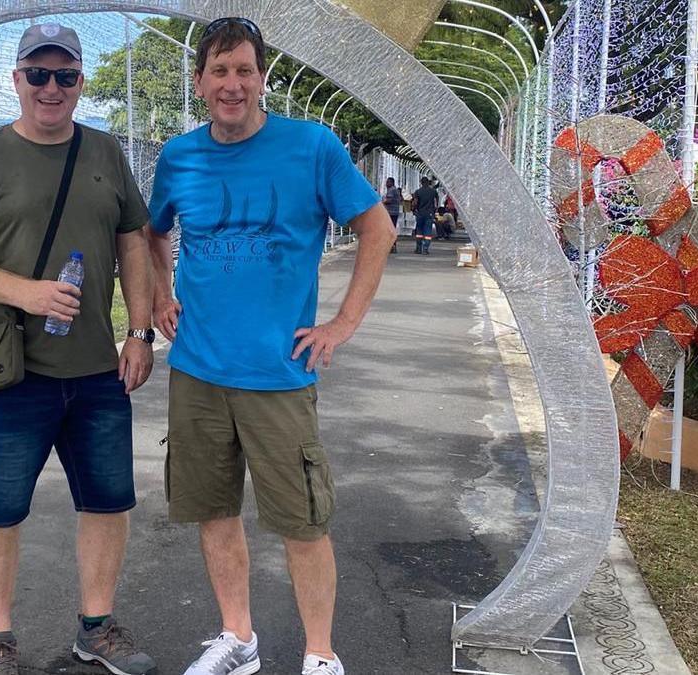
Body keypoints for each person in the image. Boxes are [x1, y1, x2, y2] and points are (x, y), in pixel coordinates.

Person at [145, 17, 396, 675]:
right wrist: (160, 292)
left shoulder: (311, 147)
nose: (233, 84)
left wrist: (342, 324)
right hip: (197, 369)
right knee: (213, 512)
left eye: (245, 71)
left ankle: (320, 652)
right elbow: (152, 233)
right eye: (220, 71)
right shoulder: (179, 157)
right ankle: (239, 639)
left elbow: (378, 229)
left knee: (303, 523)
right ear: (199, 82)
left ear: (262, 79)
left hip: (279, 375)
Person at [0, 23, 157, 675]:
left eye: (65, 76)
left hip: (96, 372)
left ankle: (97, 626)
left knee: (108, 501)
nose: (51, 88)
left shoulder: (106, 152)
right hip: (10, 375)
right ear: (18, 80)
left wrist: (140, 331)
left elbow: (134, 240)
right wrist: (25, 292)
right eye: (38, 74)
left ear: (80, 82)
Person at [411, 176, 439, 254]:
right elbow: (436, 201)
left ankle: (418, 248)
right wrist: (434, 210)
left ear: (421, 183)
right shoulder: (433, 191)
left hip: (420, 213)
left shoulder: (418, 191)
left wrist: (414, 210)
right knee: (428, 231)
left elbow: (415, 203)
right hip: (429, 213)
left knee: (419, 231)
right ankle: (426, 248)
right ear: (428, 182)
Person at [382, 177, 403, 253]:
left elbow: (389, 200)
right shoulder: (395, 190)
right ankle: (392, 246)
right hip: (394, 212)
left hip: (391, 212)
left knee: (389, 229)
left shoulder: (391, 190)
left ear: (392, 183)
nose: (386, 184)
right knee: (392, 228)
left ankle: (391, 246)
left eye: (388, 182)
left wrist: (382, 202)